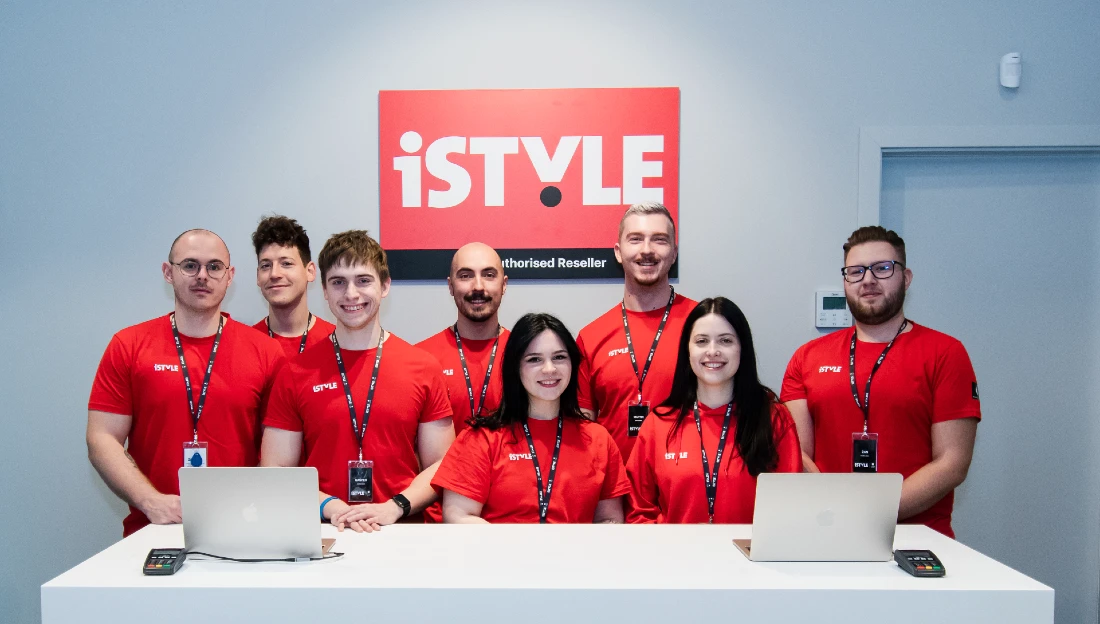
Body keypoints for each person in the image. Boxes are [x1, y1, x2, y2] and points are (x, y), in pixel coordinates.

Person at [780, 226, 981, 538]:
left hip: (918, 538)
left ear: (906, 277)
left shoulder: (946, 353)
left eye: (883, 268)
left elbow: (952, 463)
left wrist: (866, 514)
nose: (868, 280)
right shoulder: (806, 358)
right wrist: (835, 513)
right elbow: (796, 455)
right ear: (845, 281)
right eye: (856, 271)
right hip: (827, 534)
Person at [87, 229, 286, 536]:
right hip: (151, 529)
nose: (202, 276)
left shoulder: (266, 352)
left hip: (241, 530)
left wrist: (249, 510)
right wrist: (151, 502)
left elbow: (278, 455)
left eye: (214, 267)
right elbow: (102, 439)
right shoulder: (129, 345)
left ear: (230, 276)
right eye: (190, 265)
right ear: (169, 272)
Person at [261, 230, 454, 532]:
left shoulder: (423, 367)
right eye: (338, 282)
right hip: (323, 530)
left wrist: (395, 507)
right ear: (324, 291)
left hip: (402, 529)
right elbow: (274, 469)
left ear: (385, 285)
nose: (351, 294)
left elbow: (441, 464)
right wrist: (330, 506)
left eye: (363, 280)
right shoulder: (295, 371)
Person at [432, 313, 631, 524]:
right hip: (502, 555)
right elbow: (458, 516)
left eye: (559, 357)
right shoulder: (480, 438)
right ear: (515, 367)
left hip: (575, 556)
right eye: (534, 359)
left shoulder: (598, 439)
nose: (549, 369)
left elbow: (610, 520)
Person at [627, 297, 801, 524]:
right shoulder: (658, 424)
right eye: (701, 341)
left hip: (749, 557)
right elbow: (638, 511)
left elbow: (789, 507)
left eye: (725, 341)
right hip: (676, 557)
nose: (712, 351)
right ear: (687, 350)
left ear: (742, 348)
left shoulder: (774, 419)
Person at [576, 202, 697, 460]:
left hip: (684, 488)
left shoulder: (702, 325)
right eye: (636, 239)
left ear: (674, 253)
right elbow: (582, 430)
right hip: (613, 493)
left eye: (659, 240)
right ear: (618, 252)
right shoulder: (591, 337)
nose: (647, 250)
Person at [416, 242, 509, 435]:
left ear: (504, 285)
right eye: (465, 276)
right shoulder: (421, 358)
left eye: (489, 275)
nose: (477, 286)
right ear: (450, 286)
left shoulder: (527, 355)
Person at [250, 215, 336, 356]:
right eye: (266, 265)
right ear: (258, 276)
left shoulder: (336, 342)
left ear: (310, 271)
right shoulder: (245, 344)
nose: (274, 274)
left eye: (286, 263)